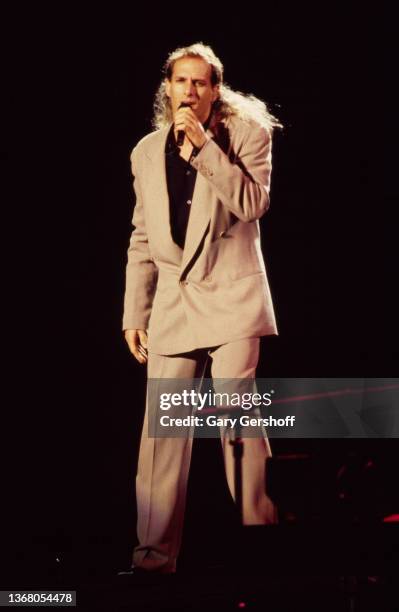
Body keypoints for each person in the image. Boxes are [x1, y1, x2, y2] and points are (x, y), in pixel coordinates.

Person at [122, 42, 282, 575]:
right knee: (163, 432)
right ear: (167, 88)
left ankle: (265, 546)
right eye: (180, 82)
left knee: (237, 416)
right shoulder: (146, 151)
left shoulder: (246, 135)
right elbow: (143, 237)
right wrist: (134, 312)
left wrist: (206, 150)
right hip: (173, 303)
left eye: (200, 83)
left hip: (233, 296)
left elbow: (253, 203)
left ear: (216, 91)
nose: (189, 92)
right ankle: (152, 559)